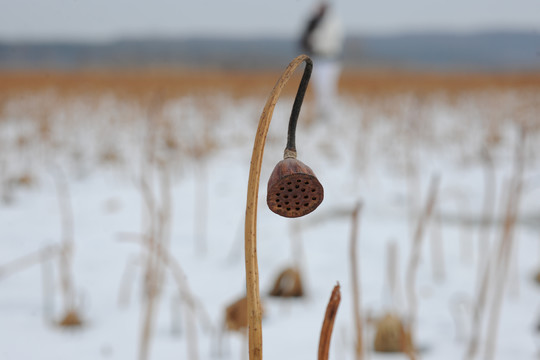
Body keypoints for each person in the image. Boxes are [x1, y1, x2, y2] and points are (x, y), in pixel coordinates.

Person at [300, 2, 344, 120]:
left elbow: (326, 41)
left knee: (328, 89)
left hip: (330, 60)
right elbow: (305, 40)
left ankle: (329, 115)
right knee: (319, 89)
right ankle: (322, 114)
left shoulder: (332, 22)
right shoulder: (313, 22)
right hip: (317, 60)